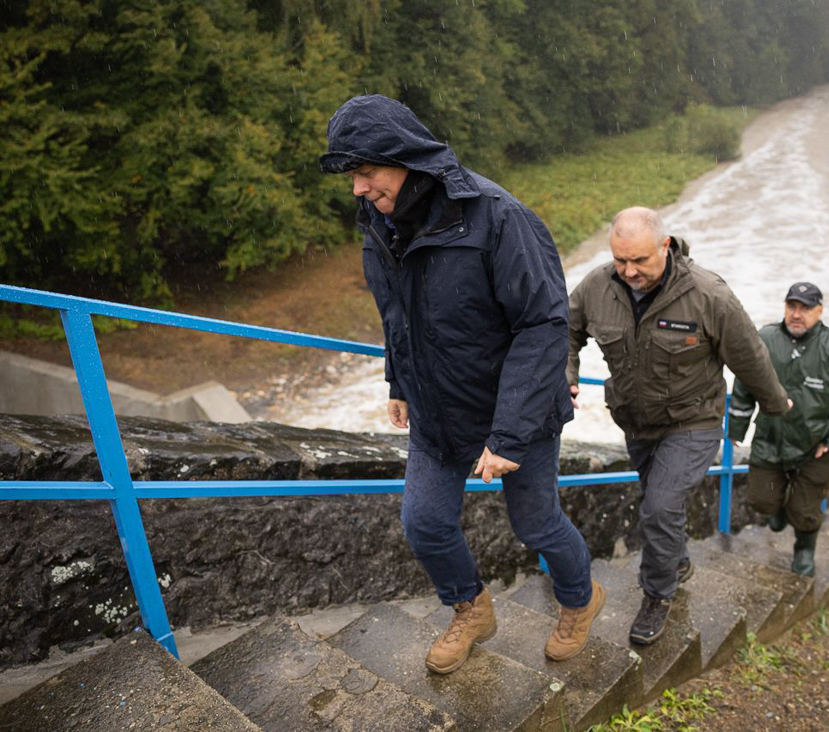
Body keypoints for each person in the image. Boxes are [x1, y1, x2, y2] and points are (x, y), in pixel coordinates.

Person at [320, 95, 601, 674]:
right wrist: (398, 379)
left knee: (536, 524)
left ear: (403, 158)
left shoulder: (497, 216)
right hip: (436, 407)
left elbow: (543, 324)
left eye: (365, 172)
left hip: (517, 409)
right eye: (351, 176)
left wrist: (508, 434)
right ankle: (470, 609)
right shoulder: (379, 221)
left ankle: (579, 600)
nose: (357, 188)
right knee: (424, 522)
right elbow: (397, 311)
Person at [568, 206, 789, 645]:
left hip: (694, 420)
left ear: (665, 246)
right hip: (636, 420)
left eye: (640, 260)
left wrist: (775, 405)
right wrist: (566, 373)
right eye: (620, 260)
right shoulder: (597, 285)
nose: (630, 271)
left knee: (660, 506)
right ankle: (676, 560)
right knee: (659, 501)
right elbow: (564, 329)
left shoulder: (708, 295)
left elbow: (749, 355)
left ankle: (658, 593)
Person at [730, 283, 829, 577]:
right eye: (792, 306)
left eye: (805, 308)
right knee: (761, 500)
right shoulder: (766, 338)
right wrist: (737, 427)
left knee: (806, 512)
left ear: (819, 311)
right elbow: (745, 382)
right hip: (770, 438)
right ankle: (776, 510)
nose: (797, 314)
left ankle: (804, 550)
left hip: (816, 446)